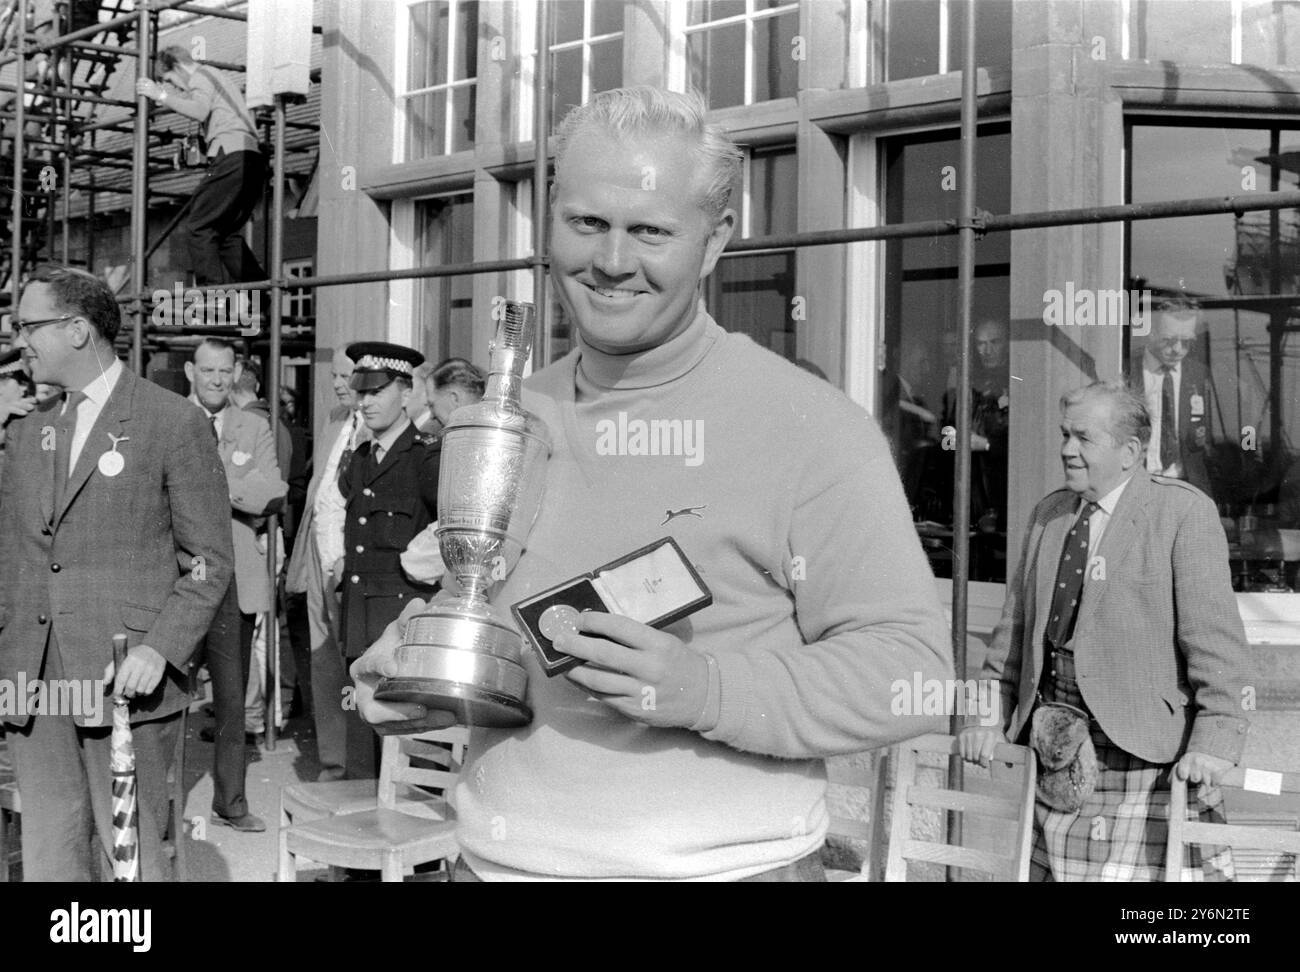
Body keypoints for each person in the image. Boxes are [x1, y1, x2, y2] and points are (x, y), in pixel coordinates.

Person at [351, 87, 952, 881]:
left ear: (714, 242)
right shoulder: (507, 421)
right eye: (587, 223)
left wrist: (706, 689)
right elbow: (489, 617)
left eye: (650, 232)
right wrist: (413, 665)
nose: (611, 261)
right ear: (552, 218)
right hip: (490, 866)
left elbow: (912, 676)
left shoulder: (810, 426)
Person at [960, 381, 1253, 881]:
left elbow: (1217, 646)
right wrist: (988, 717)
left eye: (1083, 438)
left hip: (1145, 753)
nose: (1066, 449)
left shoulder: (1182, 514)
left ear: (1130, 452)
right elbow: (1011, 637)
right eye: (1064, 435)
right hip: (1057, 751)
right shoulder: (1049, 516)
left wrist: (1214, 743)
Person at [0, 265, 233, 880]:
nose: (19, 340)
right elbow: (12, 558)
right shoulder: (27, 433)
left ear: (77, 330)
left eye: (29, 326)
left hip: (124, 679)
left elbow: (209, 561)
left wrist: (160, 648)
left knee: (131, 856)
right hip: (34, 684)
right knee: (51, 854)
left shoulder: (171, 422)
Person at [186, 338, 286, 832]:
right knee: (161, 699)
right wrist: (237, 481)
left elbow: (274, 491)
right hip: (177, 578)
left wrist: (213, 481)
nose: (218, 380)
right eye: (208, 371)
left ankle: (231, 803)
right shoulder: (167, 420)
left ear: (235, 372)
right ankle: (154, 807)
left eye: (226, 371)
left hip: (233, 581)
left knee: (230, 699)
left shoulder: (255, 425)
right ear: (190, 371)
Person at [336, 342, 440, 779]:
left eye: (377, 392)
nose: (366, 402)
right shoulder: (361, 459)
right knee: (364, 728)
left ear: (405, 390)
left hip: (402, 619)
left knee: (408, 738)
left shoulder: (426, 457)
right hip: (360, 614)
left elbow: (447, 536)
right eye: (361, 392)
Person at [284, 349, 364, 781]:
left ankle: (360, 764)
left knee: (354, 658)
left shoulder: (375, 424)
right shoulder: (335, 419)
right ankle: (335, 761)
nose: (337, 383)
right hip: (319, 552)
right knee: (323, 659)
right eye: (333, 374)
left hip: (350, 557)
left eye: (346, 375)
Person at [135, 46, 267, 286]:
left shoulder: (201, 76)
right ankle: (261, 293)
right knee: (225, 234)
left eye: (170, 80)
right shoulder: (216, 78)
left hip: (232, 154)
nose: (175, 87)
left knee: (199, 225)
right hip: (250, 157)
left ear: (177, 66)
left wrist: (160, 96)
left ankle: (211, 294)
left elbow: (199, 110)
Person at [1133, 295, 1218, 499]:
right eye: (1169, 340)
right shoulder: (1127, 368)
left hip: (1185, 485)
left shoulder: (1198, 373)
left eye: (1186, 342)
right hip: (1138, 482)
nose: (1178, 349)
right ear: (1151, 332)